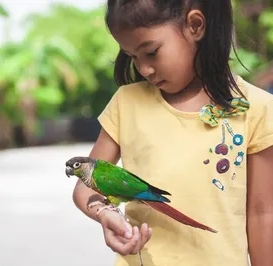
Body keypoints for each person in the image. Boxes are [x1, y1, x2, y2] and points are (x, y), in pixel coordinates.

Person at [72, 1, 273, 265]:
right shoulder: (126, 103)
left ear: (195, 26)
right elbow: (85, 187)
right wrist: (103, 212)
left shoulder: (256, 108)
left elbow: (262, 213)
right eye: (132, 56)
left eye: (151, 52)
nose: (144, 69)